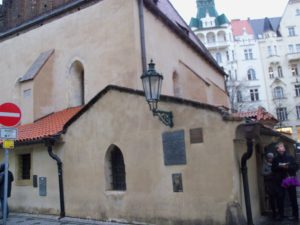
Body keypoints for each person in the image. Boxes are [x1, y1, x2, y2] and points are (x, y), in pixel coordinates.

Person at [272, 142, 299, 222]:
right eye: (280, 146)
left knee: (293, 198)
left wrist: (288, 167)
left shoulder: (290, 157)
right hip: (280, 180)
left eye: (282, 146)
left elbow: (296, 167)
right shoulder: (275, 159)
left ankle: (296, 216)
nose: (282, 147)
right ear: (277, 149)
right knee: (280, 198)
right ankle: (281, 215)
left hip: (290, 179)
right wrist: (280, 167)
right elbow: (273, 169)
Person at [261, 152, 277, 219]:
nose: (270, 159)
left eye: (271, 158)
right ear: (267, 158)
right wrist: (270, 173)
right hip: (269, 183)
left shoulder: (275, 164)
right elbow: (262, 172)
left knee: (277, 197)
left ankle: (278, 211)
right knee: (271, 198)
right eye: (269, 158)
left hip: (275, 183)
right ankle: (274, 212)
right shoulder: (265, 165)